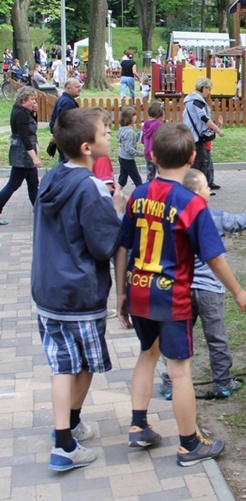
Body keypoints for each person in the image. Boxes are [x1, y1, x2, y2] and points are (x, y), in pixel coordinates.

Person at [114, 123, 246, 467]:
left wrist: (120, 293)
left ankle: (138, 425)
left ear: (152, 156)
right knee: (179, 371)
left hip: (138, 290)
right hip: (171, 297)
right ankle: (190, 444)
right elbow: (213, 257)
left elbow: (122, 246)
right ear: (193, 157)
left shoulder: (139, 194)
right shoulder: (191, 204)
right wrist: (237, 290)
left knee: (147, 354)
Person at [32, 107, 127, 471]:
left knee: (63, 363)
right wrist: (115, 208)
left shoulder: (52, 177)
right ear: (87, 147)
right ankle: (64, 442)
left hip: (48, 290)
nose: (110, 135)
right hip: (79, 293)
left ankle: (68, 427)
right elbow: (104, 245)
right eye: (105, 132)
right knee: (78, 365)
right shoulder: (90, 187)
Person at [158, 170, 246, 400]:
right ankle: (223, 383)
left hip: (180, 289)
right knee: (217, 338)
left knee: (179, 337)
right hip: (210, 291)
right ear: (198, 194)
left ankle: (171, 385)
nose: (209, 190)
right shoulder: (216, 218)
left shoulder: (170, 218)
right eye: (205, 187)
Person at [0, 87, 42, 225]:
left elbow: (31, 129)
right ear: (24, 100)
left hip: (25, 154)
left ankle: (39, 211)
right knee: (13, 184)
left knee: (33, 183)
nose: (34, 102)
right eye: (32, 99)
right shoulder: (20, 114)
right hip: (22, 155)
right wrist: (34, 157)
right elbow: (24, 137)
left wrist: (34, 113)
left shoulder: (25, 112)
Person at [182, 77, 224, 186]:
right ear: (204, 88)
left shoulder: (189, 100)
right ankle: (193, 188)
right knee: (198, 163)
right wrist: (218, 129)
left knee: (199, 162)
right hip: (196, 137)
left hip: (190, 135)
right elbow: (204, 118)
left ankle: (195, 187)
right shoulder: (197, 100)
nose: (209, 92)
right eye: (209, 89)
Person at [116, 106, 144, 188]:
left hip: (122, 157)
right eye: (134, 116)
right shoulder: (129, 131)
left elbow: (133, 140)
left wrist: (140, 131)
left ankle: (116, 194)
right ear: (129, 118)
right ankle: (140, 196)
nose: (136, 117)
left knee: (122, 179)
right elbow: (129, 148)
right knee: (137, 180)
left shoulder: (123, 129)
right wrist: (141, 154)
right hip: (127, 159)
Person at [141, 101, 165, 181]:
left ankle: (148, 190)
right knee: (163, 174)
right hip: (157, 154)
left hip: (147, 153)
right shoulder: (159, 125)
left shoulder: (145, 124)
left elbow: (143, 139)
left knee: (150, 175)